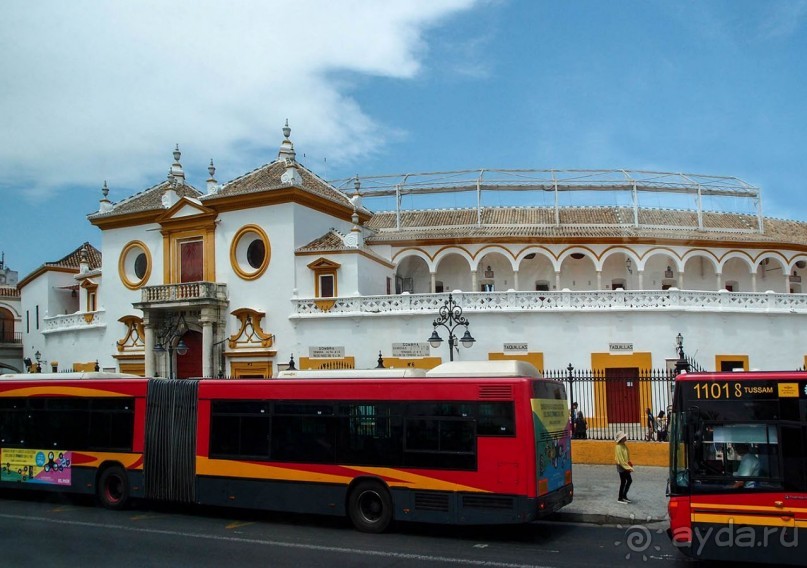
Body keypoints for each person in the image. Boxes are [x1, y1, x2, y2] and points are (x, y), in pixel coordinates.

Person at [615, 430, 634, 503]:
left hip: (625, 465)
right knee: (625, 481)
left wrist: (629, 464)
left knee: (626, 481)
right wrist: (628, 467)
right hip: (621, 466)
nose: (625, 437)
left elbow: (626, 456)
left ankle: (623, 496)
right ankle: (621, 497)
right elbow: (621, 460)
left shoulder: (623, 445)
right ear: (621, 438)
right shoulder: (618, 447)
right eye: (624, 437)